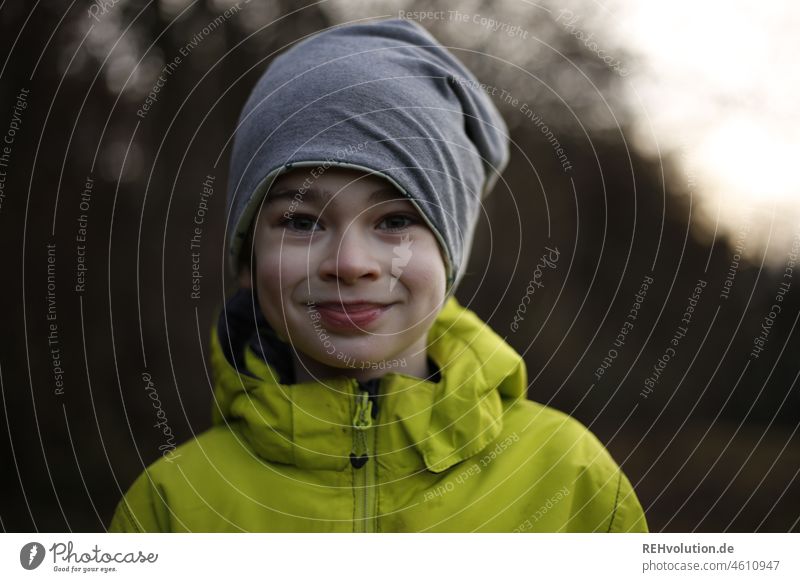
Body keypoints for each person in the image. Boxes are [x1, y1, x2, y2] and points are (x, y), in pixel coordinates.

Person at [109, 18, 647, 533]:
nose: (348, 263)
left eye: (395, 220)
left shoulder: (571, 479)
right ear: (249, 256)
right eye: (301, 221)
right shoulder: (171, 508)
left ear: (449, 256)